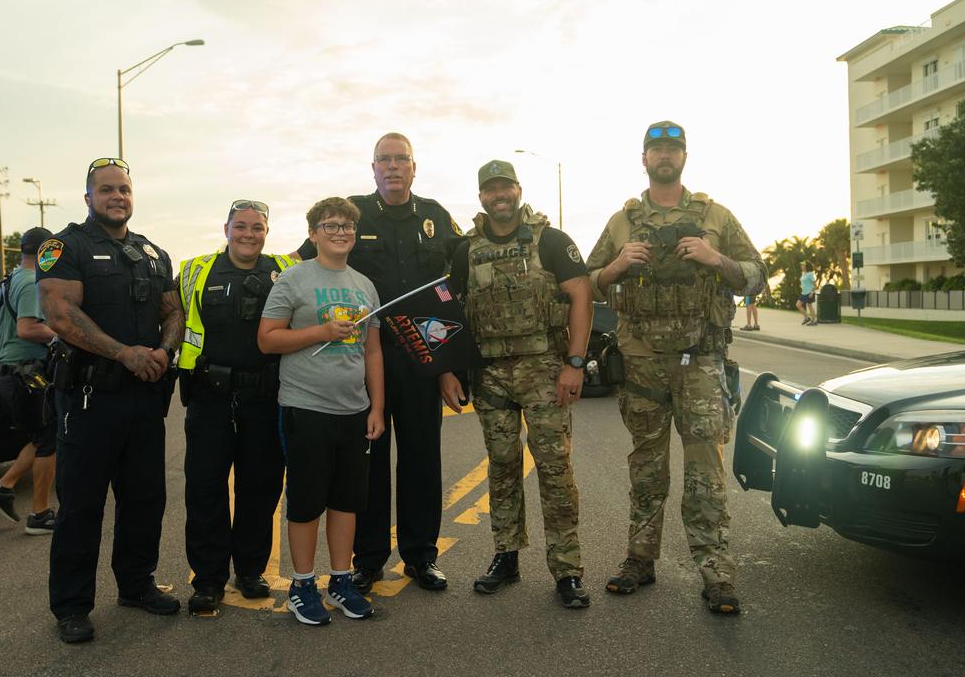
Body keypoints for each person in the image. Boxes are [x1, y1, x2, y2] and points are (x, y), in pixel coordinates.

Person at [585, 120, 766, 615]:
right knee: (647, 466)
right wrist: (619, 264)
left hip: (701, 361)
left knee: (705, 470)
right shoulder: (622, 221)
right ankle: (639, 561)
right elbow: (586, 281)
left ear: (684, 156)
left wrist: (716, 259)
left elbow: (757, 276)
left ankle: (717, 573)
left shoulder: (716, 216)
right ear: (643, 158)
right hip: (641, 363)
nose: (664, 155)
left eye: (673, 148)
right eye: (656, 149)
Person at [294, 132, 463, 593]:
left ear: (414, 167)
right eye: (383, 160)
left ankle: (421, 556)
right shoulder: (351, 213)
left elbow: (457, 289)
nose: (392, 167)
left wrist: (450, 367)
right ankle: (368, 559)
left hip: (421, 356)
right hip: (364, 356)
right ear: (373, 169)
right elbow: (301, 261)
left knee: (422, 457)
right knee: (367, 460)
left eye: (400, 160)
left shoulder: (436, 217)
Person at [36, 157, 183, 643]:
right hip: (88, 398)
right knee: (81, 506)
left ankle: (136, 585)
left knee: (145, 499)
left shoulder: (151, 252)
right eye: (106, 190)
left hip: (144, 397)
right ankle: (72, 607)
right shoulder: (66, 247)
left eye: (123, 189)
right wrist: (124, 353)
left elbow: (173, 310)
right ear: (88, 198)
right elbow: (60, 314)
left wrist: (162, 350)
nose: (116, 196)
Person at [441, 160, 593, 609]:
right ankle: (506, 556)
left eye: (505, 186)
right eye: (490, 189)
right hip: (490, 376)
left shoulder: (550, 240)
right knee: (502, 467)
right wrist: (448, 370)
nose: (499, 195)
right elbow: (449, 312)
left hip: (545, 370)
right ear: (482, 197)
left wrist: (576, 363)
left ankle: (567, 570)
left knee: (554, 470)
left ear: (519, 190)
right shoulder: (465, 250)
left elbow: (581, 295)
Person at [259, 197, 384, 626]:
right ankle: (303, 585)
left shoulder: (364, 285)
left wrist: (377, 407)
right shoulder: (293, 280)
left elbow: (372, 349)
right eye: (329, 225)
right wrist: (321, 332)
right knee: (308, 501)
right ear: (313, 234)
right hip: (305, 407)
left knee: (347, 502)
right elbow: (267, 339)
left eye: (347, 225)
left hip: (354, 410)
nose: (339, 232)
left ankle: (341, 581)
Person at [176, 200, 296, 616]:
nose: (249, 234)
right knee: (206, 488)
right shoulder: (195, 270)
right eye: (240, 226)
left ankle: (249, 571)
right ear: (225, 228)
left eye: (257, 227)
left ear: (268, 231)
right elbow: (170, 319)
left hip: (265, 398)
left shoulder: (285, 268)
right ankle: (207, 579)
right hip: (210, 398)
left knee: (260, 488)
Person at [0, 226, 59, 535]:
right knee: (48, 440)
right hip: (25, 374)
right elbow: (28, 328)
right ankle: (39, 514)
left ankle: (4, 485)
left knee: (43, 436)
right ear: (46, 252)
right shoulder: (30, 282)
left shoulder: (10, 279)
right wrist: (65, 336)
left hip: (10, 371)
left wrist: (6, 342)